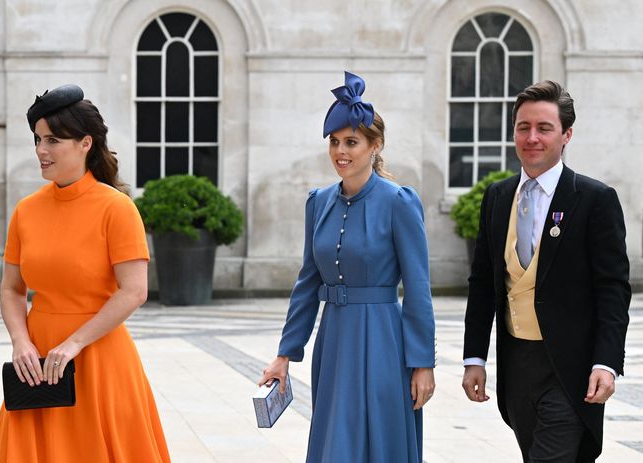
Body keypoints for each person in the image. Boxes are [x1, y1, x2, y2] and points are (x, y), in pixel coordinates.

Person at [0, 84, 171, 462]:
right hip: (37, 364)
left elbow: (134, 291)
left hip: (100, 358)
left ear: (85, 143)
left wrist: (74, 344)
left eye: (53, 140)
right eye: (37, 140)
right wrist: (21, 342)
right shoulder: (26, 211)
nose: (41, 150)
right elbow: (11, 289)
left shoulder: (116, 209)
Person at [259, 71, 436, 463]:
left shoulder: (399, 202)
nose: (341, 151)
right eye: (335, 142)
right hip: (334, 339)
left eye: (352, 142)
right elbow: (307, 283)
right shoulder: (317, 202)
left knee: (378, 440)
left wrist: (423, 363)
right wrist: (285, 354)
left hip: (384, 340)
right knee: (337, 441)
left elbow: (419, 286)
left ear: (375, 146)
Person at [462, 80, 630, 462]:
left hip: (570, 369)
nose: (532, 137)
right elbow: (482, 283)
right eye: (523, 127)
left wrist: (606, 362)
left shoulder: (595, 199)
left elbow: (613, 289)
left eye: (544, 128)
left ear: (566, 134)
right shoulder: (497, 197)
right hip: (517, 366)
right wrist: (475, 357)